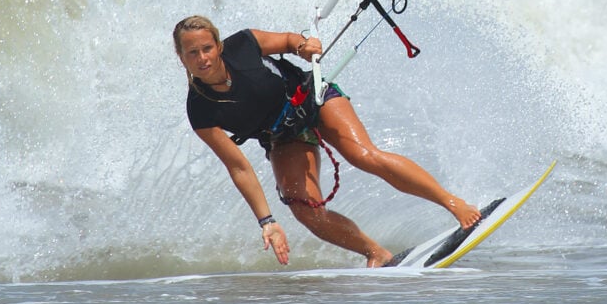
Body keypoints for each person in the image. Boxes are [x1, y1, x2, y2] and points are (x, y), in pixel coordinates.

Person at [172, 15, 481, 267]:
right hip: (283, 136)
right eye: (192, 53)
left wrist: (304, 47)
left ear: (218, 45)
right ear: (181, 56)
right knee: (305, 209)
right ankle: (376, 253)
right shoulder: (200, 109)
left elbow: (288, 41)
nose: (202, 58)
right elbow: (239, 167)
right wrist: (267, 221)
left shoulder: (242, 44)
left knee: (363, 156)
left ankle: (454, 204)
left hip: (313, 99)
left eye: (207, 48)